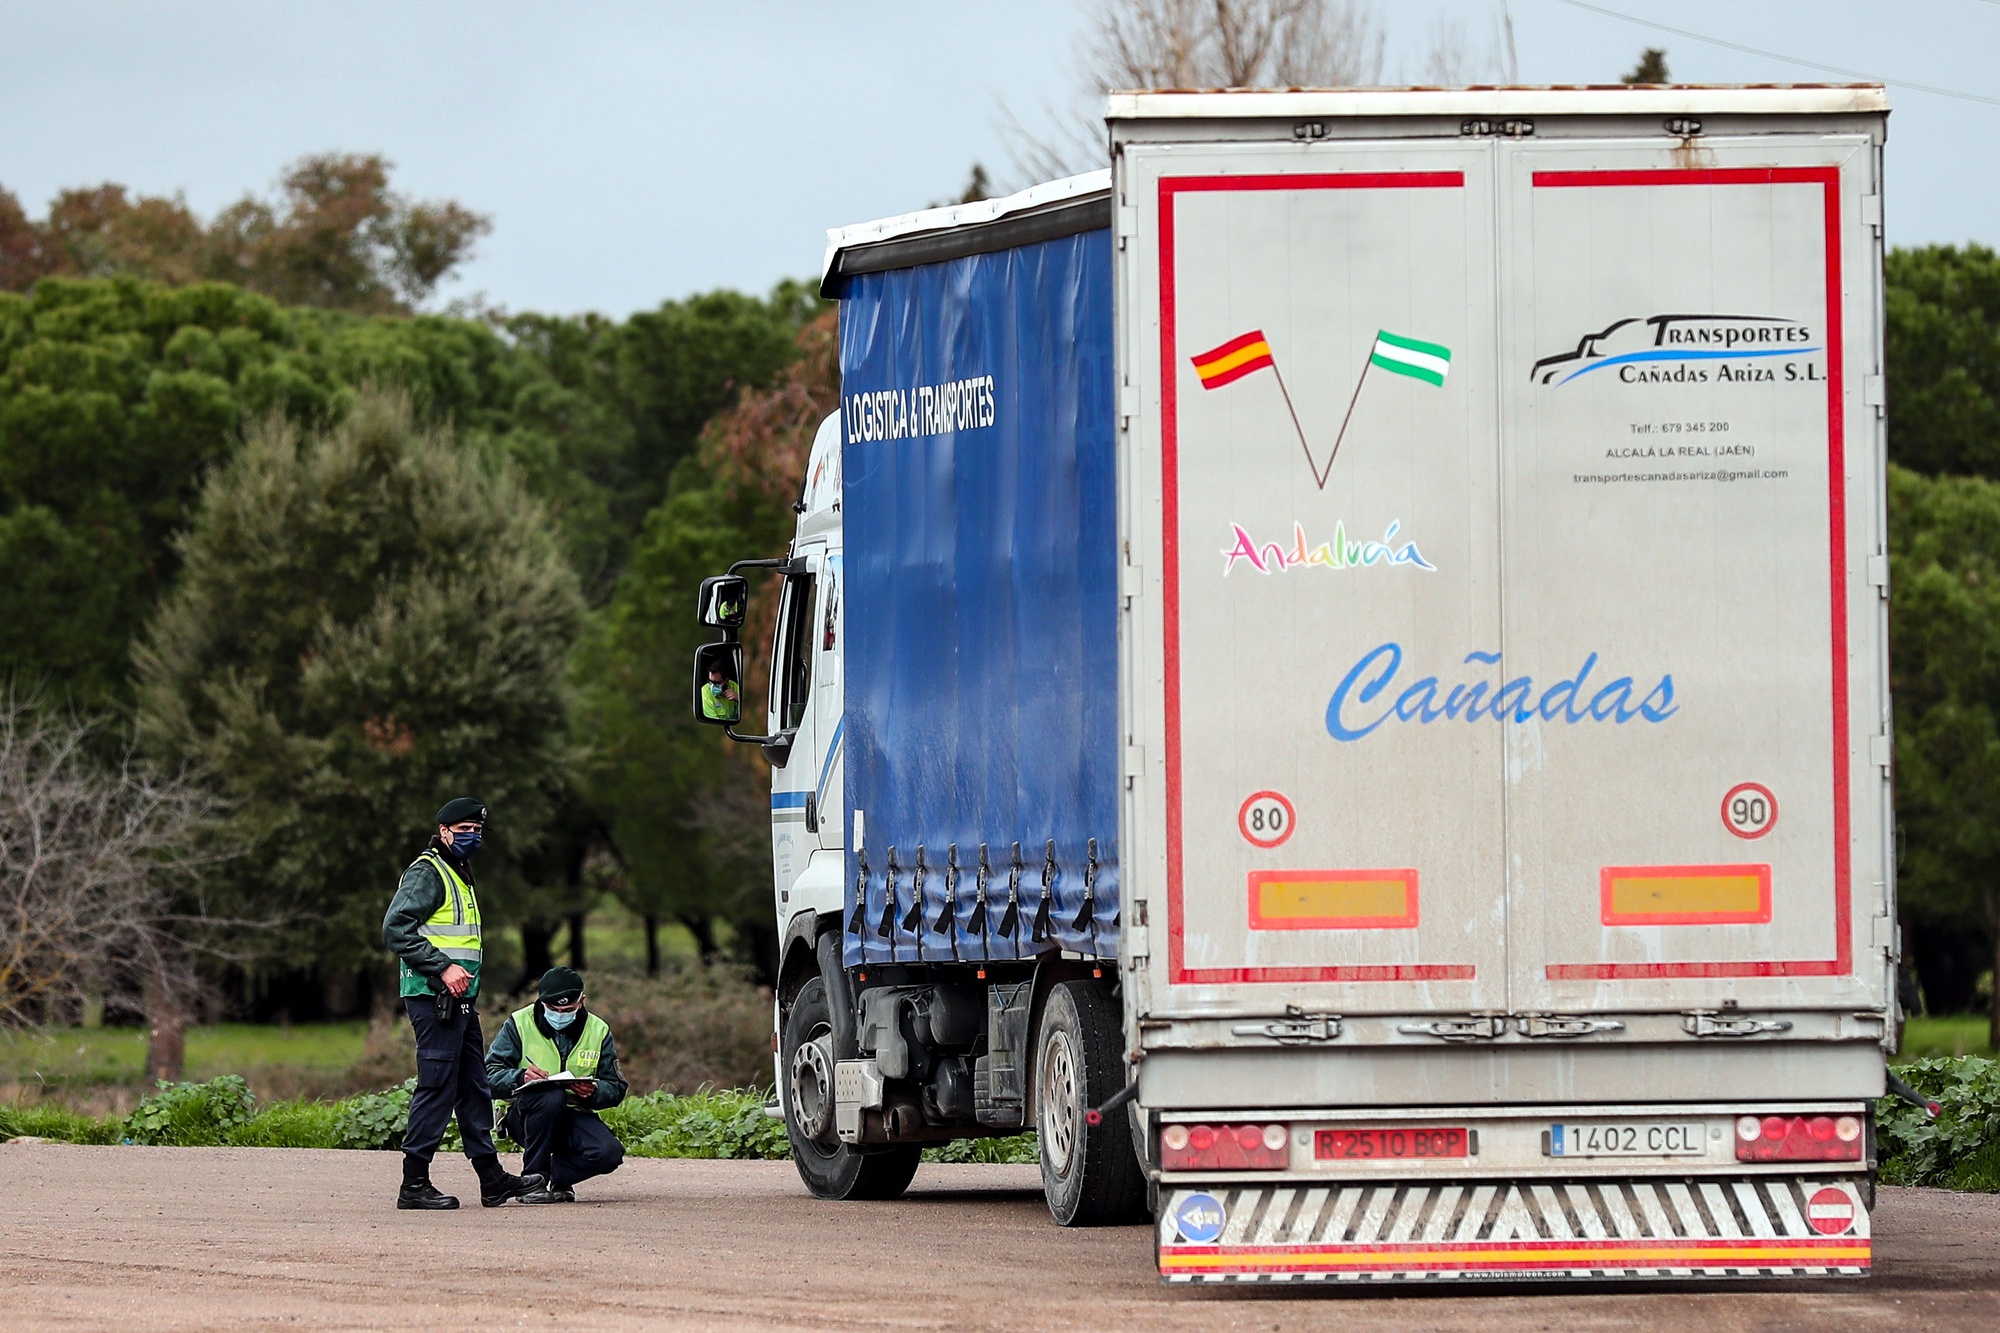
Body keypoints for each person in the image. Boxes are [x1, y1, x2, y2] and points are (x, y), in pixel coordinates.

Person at [381, 796, 542, 1210]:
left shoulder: (459, 873)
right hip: (434, 996)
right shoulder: (429, 873)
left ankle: (492, 1180)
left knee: (474, 1087)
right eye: (464, 830)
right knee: (437, 1086)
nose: (472, 837)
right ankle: (413, 1184)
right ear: (445, 831)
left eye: (478, 830)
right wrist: (442, 968)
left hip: (459, 1000)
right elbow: (396, 929)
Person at [486, 967, 628, 1202]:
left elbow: (616, 1087)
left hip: (574, 1112)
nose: (560, 1014)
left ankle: (556, 1179)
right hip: (525, 1115)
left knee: (609, 1153)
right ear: (541, 1001)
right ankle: (533, 1178)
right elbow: (487, 1077)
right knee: (550, 1098)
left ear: (581, 1001)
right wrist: (520, 1077)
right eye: (553, 1009)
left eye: (568, 1009)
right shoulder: (518, 1023)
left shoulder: (598, 1030)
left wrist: (593, 1092)